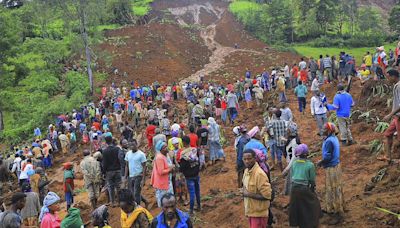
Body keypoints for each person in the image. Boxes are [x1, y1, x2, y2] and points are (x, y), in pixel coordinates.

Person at [317, 123, 345, 225]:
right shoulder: (334, 138)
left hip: (331, 167)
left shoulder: (329, 141)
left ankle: (337, 213)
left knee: (332, 189)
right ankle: (338, 207)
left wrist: (320, 162)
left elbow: (327, 157)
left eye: (324, 129)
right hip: (336, 165)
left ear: (329, 131)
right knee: (337, 187)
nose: (322, 129)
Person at [289, 144, 321, 228]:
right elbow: (312, 180)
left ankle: (295, 223)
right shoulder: (310, 165)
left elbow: (293, 176)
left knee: (295, 207)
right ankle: (310, 223)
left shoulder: (294, 164)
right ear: (307, 154)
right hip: (304, 188)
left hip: (294, 189)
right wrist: (312, 188)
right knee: (313, 204)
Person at [241, 149, 272, 228]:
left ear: (255, 159)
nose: (247, 161)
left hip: (259, 214)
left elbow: (267, 196)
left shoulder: (259, 174)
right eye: (245, 159)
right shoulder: (246, 172)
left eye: (249, 159)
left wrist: (248, 194)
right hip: (251, 211)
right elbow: (245, 186)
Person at [382, 69, 400, 164]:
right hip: (396, 116)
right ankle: (388, 157)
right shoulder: (396, 86)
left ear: (393, 76)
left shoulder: (399, 86)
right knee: (388, 134)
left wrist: (390, 114)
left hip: (399, 117)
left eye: (388, 77)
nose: (387, 79)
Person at [179, 136, 201, 214]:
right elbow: (198, 161)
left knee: (191, 193)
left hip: (189, 176)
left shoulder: (183, 154)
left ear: (184, 143)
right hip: (196, 173)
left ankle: (191, 210)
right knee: (197, 191)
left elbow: (182, 167)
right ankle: (199, 206)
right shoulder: (194, 150)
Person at [125, 139, 149, 207]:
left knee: (136, 193)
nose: (132, 146)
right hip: (131, 176)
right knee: (132, 193)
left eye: (133, 145)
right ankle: (145, 201)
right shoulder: (128, 154)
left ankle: (137, 208)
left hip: (138, 175)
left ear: (137, 144)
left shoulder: (141, 154)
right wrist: (125, 177)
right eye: (130, 145)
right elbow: (126, 165)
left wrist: (143, 179)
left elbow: (144, 167)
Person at [151, 141, 174, 207]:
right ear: (160, 149)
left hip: (166, 182)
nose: (167, 148)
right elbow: (161, 172)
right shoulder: (159, 158)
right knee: (164, 202)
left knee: (169, 200)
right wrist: (170, 169)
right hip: (162, 184)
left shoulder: (165, 155)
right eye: (164, 147)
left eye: (166, 146)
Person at [102, 136, 122, 207]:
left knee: (111, 187)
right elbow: (120, 159)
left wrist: (103, 172)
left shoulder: (104, 151)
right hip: (118, 170)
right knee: (118, 186)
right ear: (112, 141)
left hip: (109, 172)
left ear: (106, 142)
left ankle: (112, 202)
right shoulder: (117, 149)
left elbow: (104, 163)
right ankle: (120, 201)